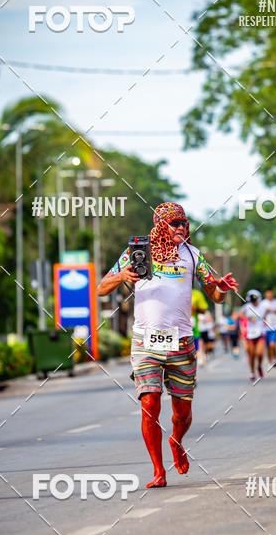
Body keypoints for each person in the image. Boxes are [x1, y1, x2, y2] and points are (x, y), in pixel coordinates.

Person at [97, 202, 238, 488]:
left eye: (184, 223)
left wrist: (220, 288)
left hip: (182, 341)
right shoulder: (139, 253)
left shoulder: (192, 255)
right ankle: (158, 470)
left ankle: (177, 440)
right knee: (149, 403)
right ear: (161, 225)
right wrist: (122, 276)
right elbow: (101, 287)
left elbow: (216, 295)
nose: (182, 228)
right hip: (145, 341)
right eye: (175, 223)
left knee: (182, 413)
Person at [236, 289, 266, 381]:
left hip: (261, 332)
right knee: (252, 354)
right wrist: (248, 318)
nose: (254, 302)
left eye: (255, 300)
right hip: (250, 334)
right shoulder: (247, 307)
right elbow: (240, 314)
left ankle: (259, 366)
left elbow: (267, 315)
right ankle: (252, 372)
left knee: (259, 353)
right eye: (252, 300)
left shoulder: (263, 307)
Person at [260, 288, 276, 368]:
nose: (270, 295)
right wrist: (266, 311)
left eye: (271, 293)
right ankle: (270, 361)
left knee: (273, 344)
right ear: (265, 294)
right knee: (268, 346)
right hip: (266, 327)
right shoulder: (262, 303)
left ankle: (275, 359)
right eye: (268, 294)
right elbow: (260, 315)